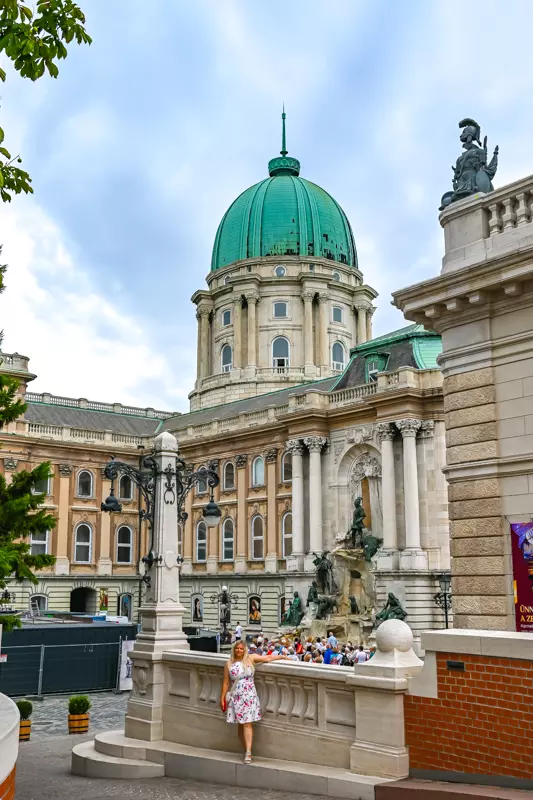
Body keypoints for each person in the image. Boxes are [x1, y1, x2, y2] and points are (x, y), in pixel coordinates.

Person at [220, 640, 287, 764]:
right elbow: (225, 682)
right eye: (236, 648)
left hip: (249, 695)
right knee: (240, 725)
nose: (239, 651)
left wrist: (282, 656)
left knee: (247, 723)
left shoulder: (251, 658)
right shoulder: (228, 664)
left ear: (244, 649)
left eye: (241, 649)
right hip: (237, 696)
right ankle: (246, 750)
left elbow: (267, 658)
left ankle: (248, 753)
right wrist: (222, 697)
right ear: (233, 649)